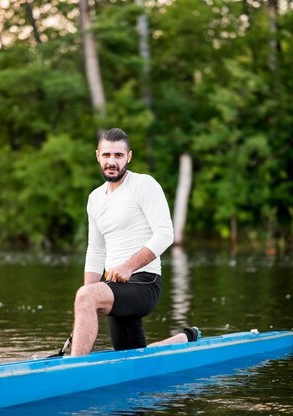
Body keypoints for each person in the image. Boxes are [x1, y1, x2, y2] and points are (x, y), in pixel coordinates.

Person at [70, 127, 200, 356]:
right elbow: (96, 251)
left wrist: (127, 267)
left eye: (119, 155)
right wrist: (86, 301)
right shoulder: (95, 198)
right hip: (115, 286)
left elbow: (165, 234)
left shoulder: (144, 185)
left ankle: (70, 374)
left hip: (145, 283)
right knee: (133, 356)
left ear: (129, 157)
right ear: (97, 156)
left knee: (85, 296)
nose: (112, 161)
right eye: (107, 155)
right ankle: (184, 339)